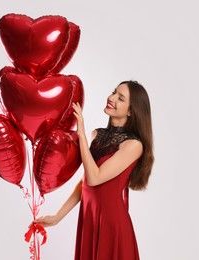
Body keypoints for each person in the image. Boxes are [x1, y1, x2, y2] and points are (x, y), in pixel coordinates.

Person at [35, 80, 154, 260]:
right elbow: (84, 183)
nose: (112, 98)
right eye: (114, 92)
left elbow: (95, 178)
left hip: (112, 224)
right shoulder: (96, 135)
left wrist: (81, 134)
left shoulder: (133, 145)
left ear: (131, 111)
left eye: (120, 98)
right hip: (89, 218)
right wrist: (58, 217)